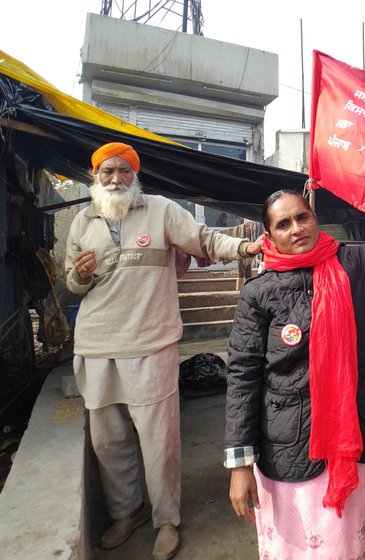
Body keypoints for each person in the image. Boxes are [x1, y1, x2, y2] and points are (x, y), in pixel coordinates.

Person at [66, 142, 261, 560]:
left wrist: (243, 248)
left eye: (123, 171)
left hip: (151, 342)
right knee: (109, 441)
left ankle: (167, 520)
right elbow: (71, 283)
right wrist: (79, 277)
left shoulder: (161, 211)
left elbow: (204, 239)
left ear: (135, 176)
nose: (116, 179)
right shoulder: (82, 221)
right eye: (108, 172)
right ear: (95, 175)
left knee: (160, 442)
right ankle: (127, 511)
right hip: (97, 344)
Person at [224, 189, 365, 559]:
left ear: (314, 217)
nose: (296, 229)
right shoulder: (258, 294)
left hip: (353, 433)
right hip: (289, 443)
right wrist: (240, 463)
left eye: (302, 217)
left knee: (349, 544)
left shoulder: (353, 264)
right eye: (283, 224)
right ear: (268, 235)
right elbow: (243, 375)